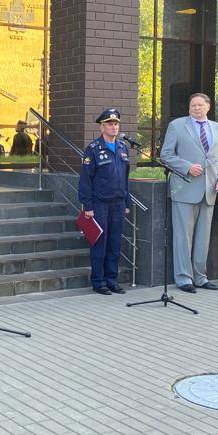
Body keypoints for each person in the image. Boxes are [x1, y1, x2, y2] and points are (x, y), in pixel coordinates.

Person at [159, 93, 218, 293]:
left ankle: (200, 277)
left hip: (209, 190)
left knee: (203, 238)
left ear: (208, 107)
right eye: (193, 105)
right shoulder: (177, 126)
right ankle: (183, 278)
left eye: (200, 105)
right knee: (183, 237)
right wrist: (187, 167)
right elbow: (166, 155)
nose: (196, 108)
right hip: (185, 188)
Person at [79, 108, 131, 295]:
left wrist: (127, 202)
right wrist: (88, 206)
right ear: (101, 127)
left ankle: (112, 280)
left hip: (118, 204)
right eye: (110, 124)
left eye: (116, 124)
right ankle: (98, 282)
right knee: (99, 244)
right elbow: (85, 180)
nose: (114, 127)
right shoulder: (93, 149)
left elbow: (125, 179)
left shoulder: (122, 148)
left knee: (115, 244)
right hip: (99, 204)